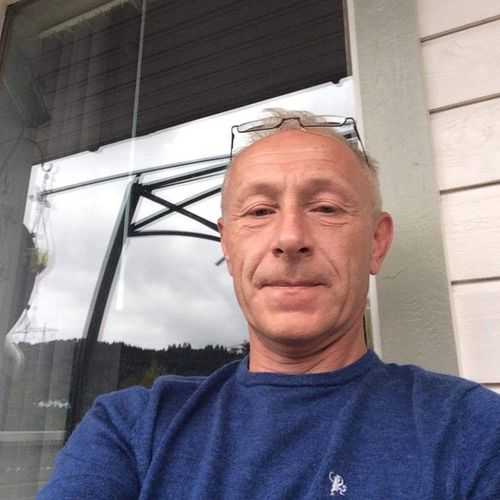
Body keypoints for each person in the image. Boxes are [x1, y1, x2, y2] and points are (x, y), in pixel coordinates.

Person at [37, 110, 500, 499]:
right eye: (260, 211)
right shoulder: (132, 430)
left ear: (377, 243)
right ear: (228, 245)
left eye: (326, 208)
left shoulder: (472, 431)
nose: (290, 237)